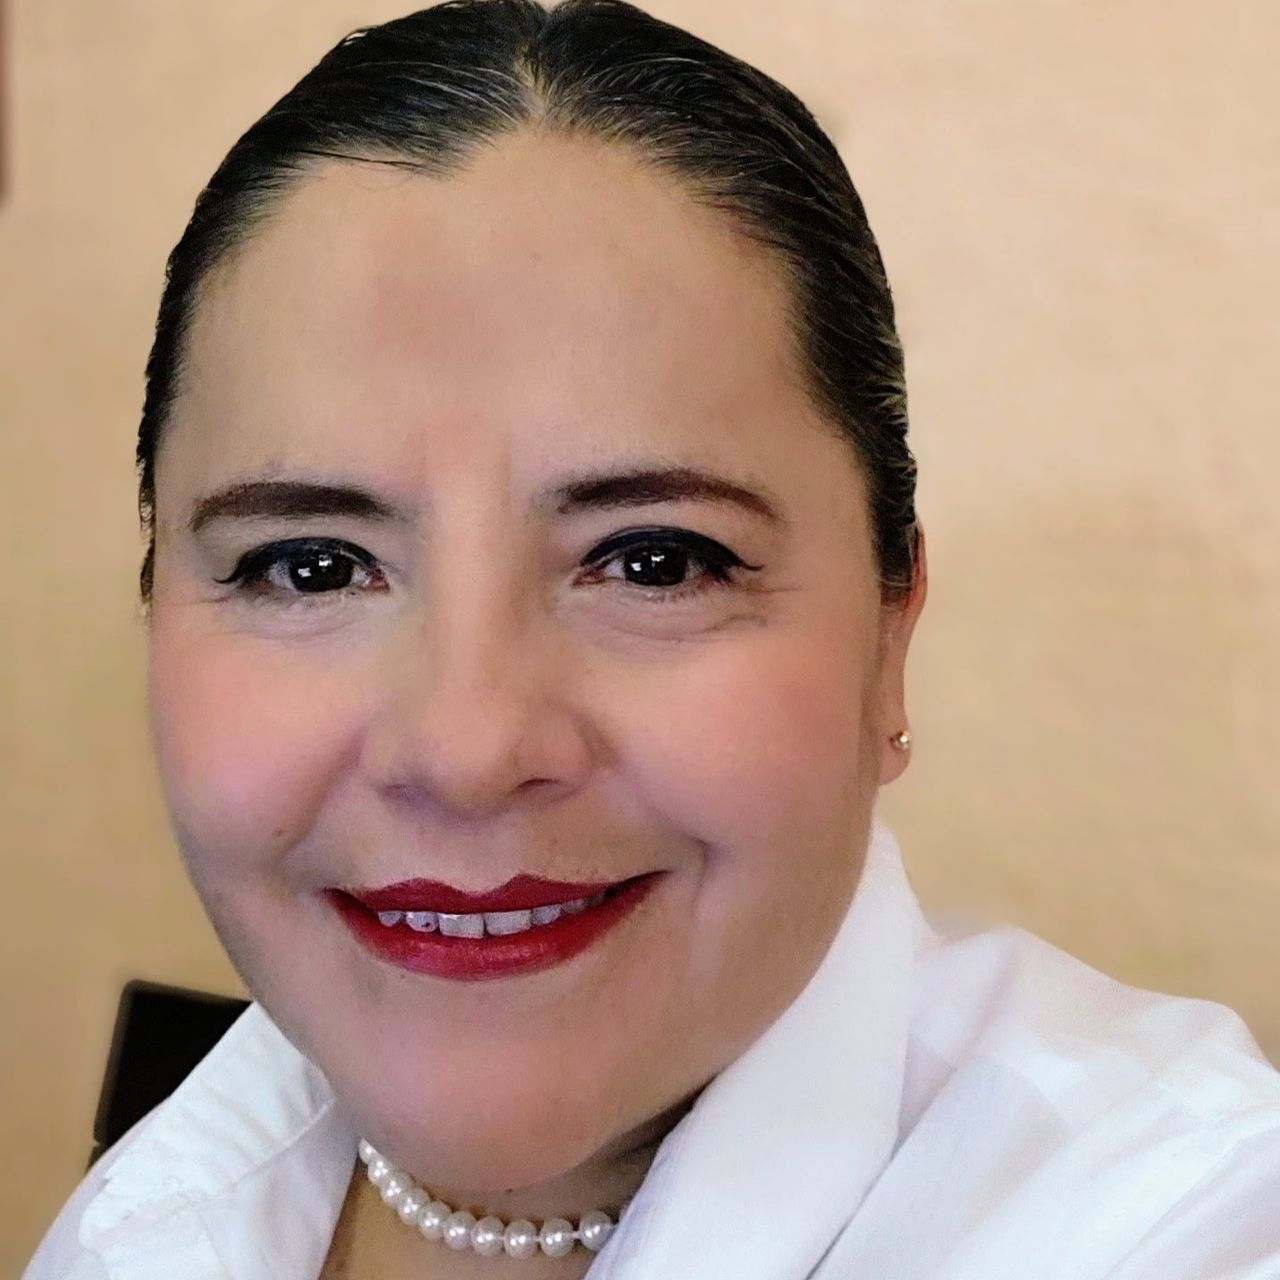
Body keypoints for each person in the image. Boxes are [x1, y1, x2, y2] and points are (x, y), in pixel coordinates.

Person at [22, 1, 1280, 1277]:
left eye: (654, 560)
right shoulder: (148, 1208)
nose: (467, 748)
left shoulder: (1190, 1219)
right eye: (312, 565)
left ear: (886, 636)